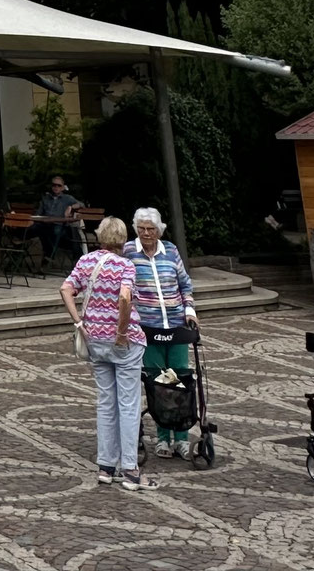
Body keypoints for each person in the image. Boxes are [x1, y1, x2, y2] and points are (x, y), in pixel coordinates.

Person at [61, 215, 160, 491]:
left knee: (106, 403)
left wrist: (78, 322)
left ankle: (106, 467)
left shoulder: (86, 261)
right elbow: (125, 298)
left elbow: (66, 289)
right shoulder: (125, 265)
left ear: (100, 237)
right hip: (123, 343)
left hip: (94, 340)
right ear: (123, 239)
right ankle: (130, 470)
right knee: (127, 405)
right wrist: (121, 331)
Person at [124, 207, 198, 458]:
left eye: (151, 229)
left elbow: (185, 285)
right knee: (158, 383)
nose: (146, 233)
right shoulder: (129, 252)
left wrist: (189, 311)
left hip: (176, 325)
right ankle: (163, 438)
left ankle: (182, 436)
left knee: (180, 380)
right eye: (142, 229)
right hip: (148, 328)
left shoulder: (171, 251)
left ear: (159, 230)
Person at [36, 174, 84, 261]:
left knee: (55, 231)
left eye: (59, 185)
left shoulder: (67, 198)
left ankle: (49, 256)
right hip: (45, 224)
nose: (56, 187)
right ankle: (18, 240)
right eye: (54, 185)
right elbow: (38, 214)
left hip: (60, 225)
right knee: (36, 229)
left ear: (62, 188)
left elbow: (81, 205)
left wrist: (71, 207)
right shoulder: (45, 198)